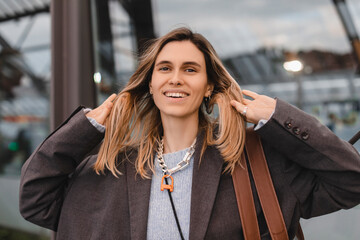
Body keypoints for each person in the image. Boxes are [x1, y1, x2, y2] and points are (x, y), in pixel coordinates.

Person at [19, 27, 360, 240]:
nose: (176, 78)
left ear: (209, 85)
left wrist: (278, 117)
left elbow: (350, 181)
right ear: (150, 84)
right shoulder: (108, 170)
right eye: (164, 68)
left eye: (191, 69)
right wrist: (86, 127)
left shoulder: (257, 168)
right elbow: (35, 199)